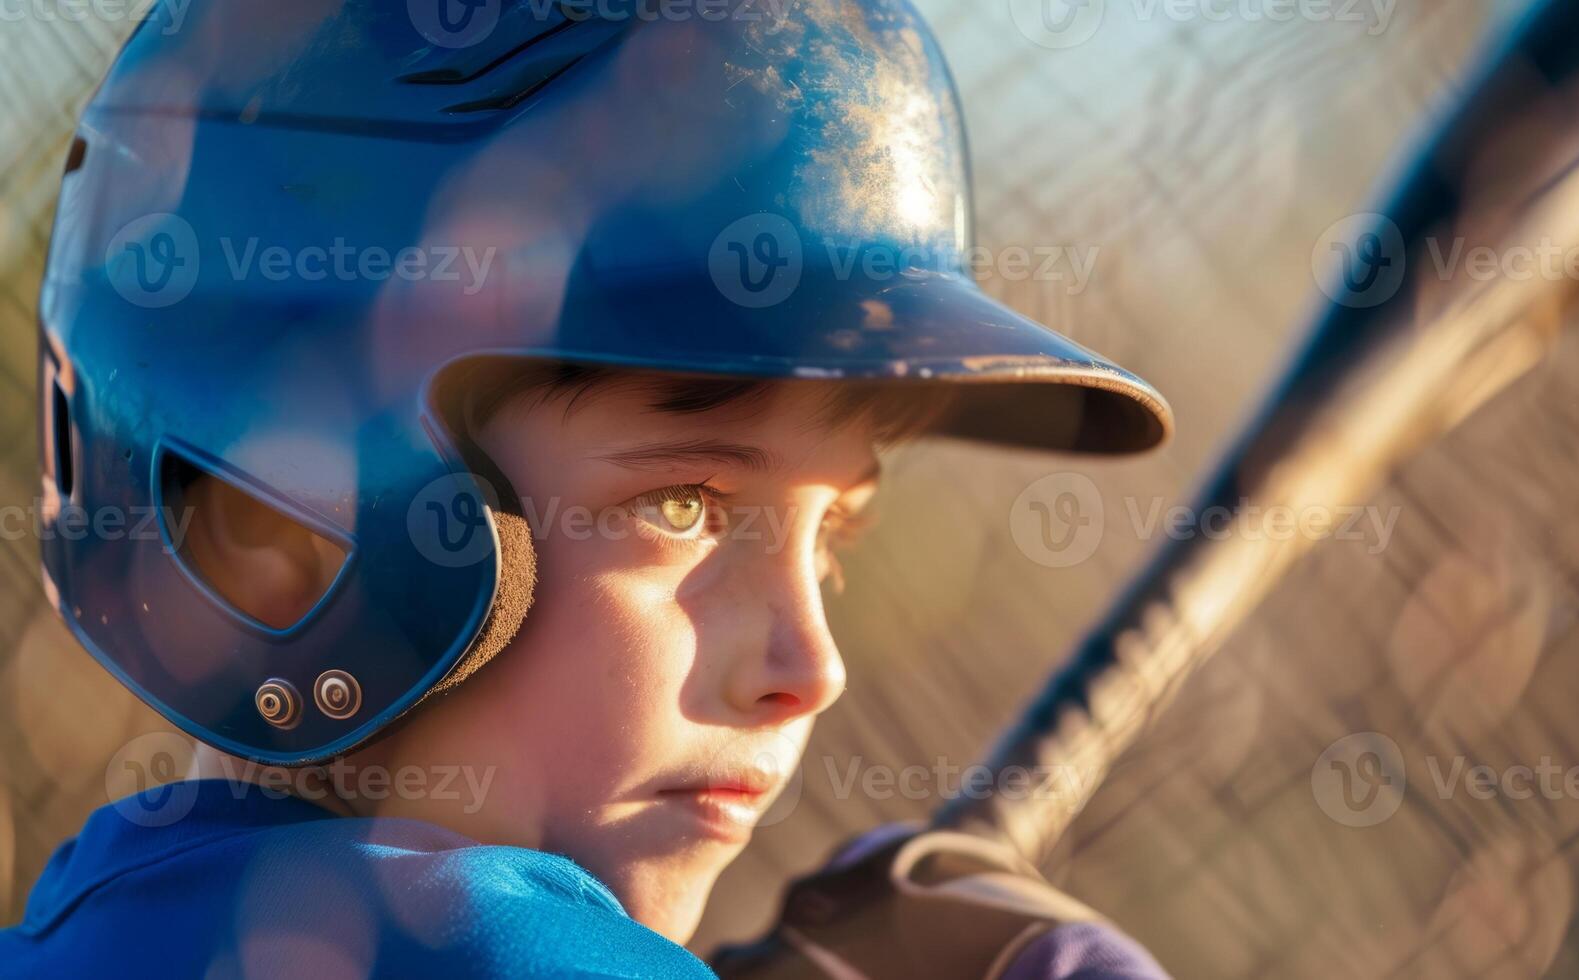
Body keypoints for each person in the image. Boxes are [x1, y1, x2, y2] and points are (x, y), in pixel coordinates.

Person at [1, 1, 1171, 975]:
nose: (812, 668)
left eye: (830, 540)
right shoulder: (478, 945)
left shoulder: (91, 922)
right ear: (275, 519)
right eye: (688, 507)